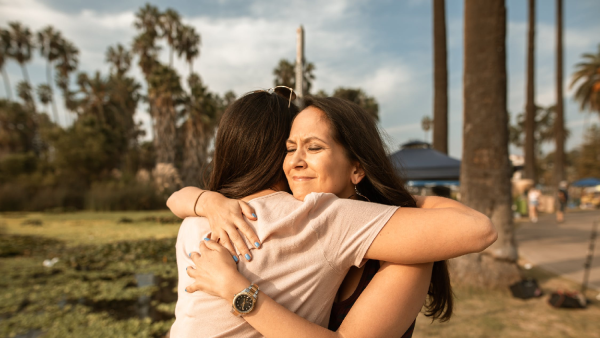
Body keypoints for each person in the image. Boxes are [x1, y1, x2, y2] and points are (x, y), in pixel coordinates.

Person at [167, 93, 497, 338]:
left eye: (313, 148)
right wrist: (208, 201)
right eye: (289, 147)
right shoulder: (302, 222)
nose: (295, 161)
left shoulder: (386, 248)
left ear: (357, 167)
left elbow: (478, 229)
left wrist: (238, 291)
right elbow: (177, 200)